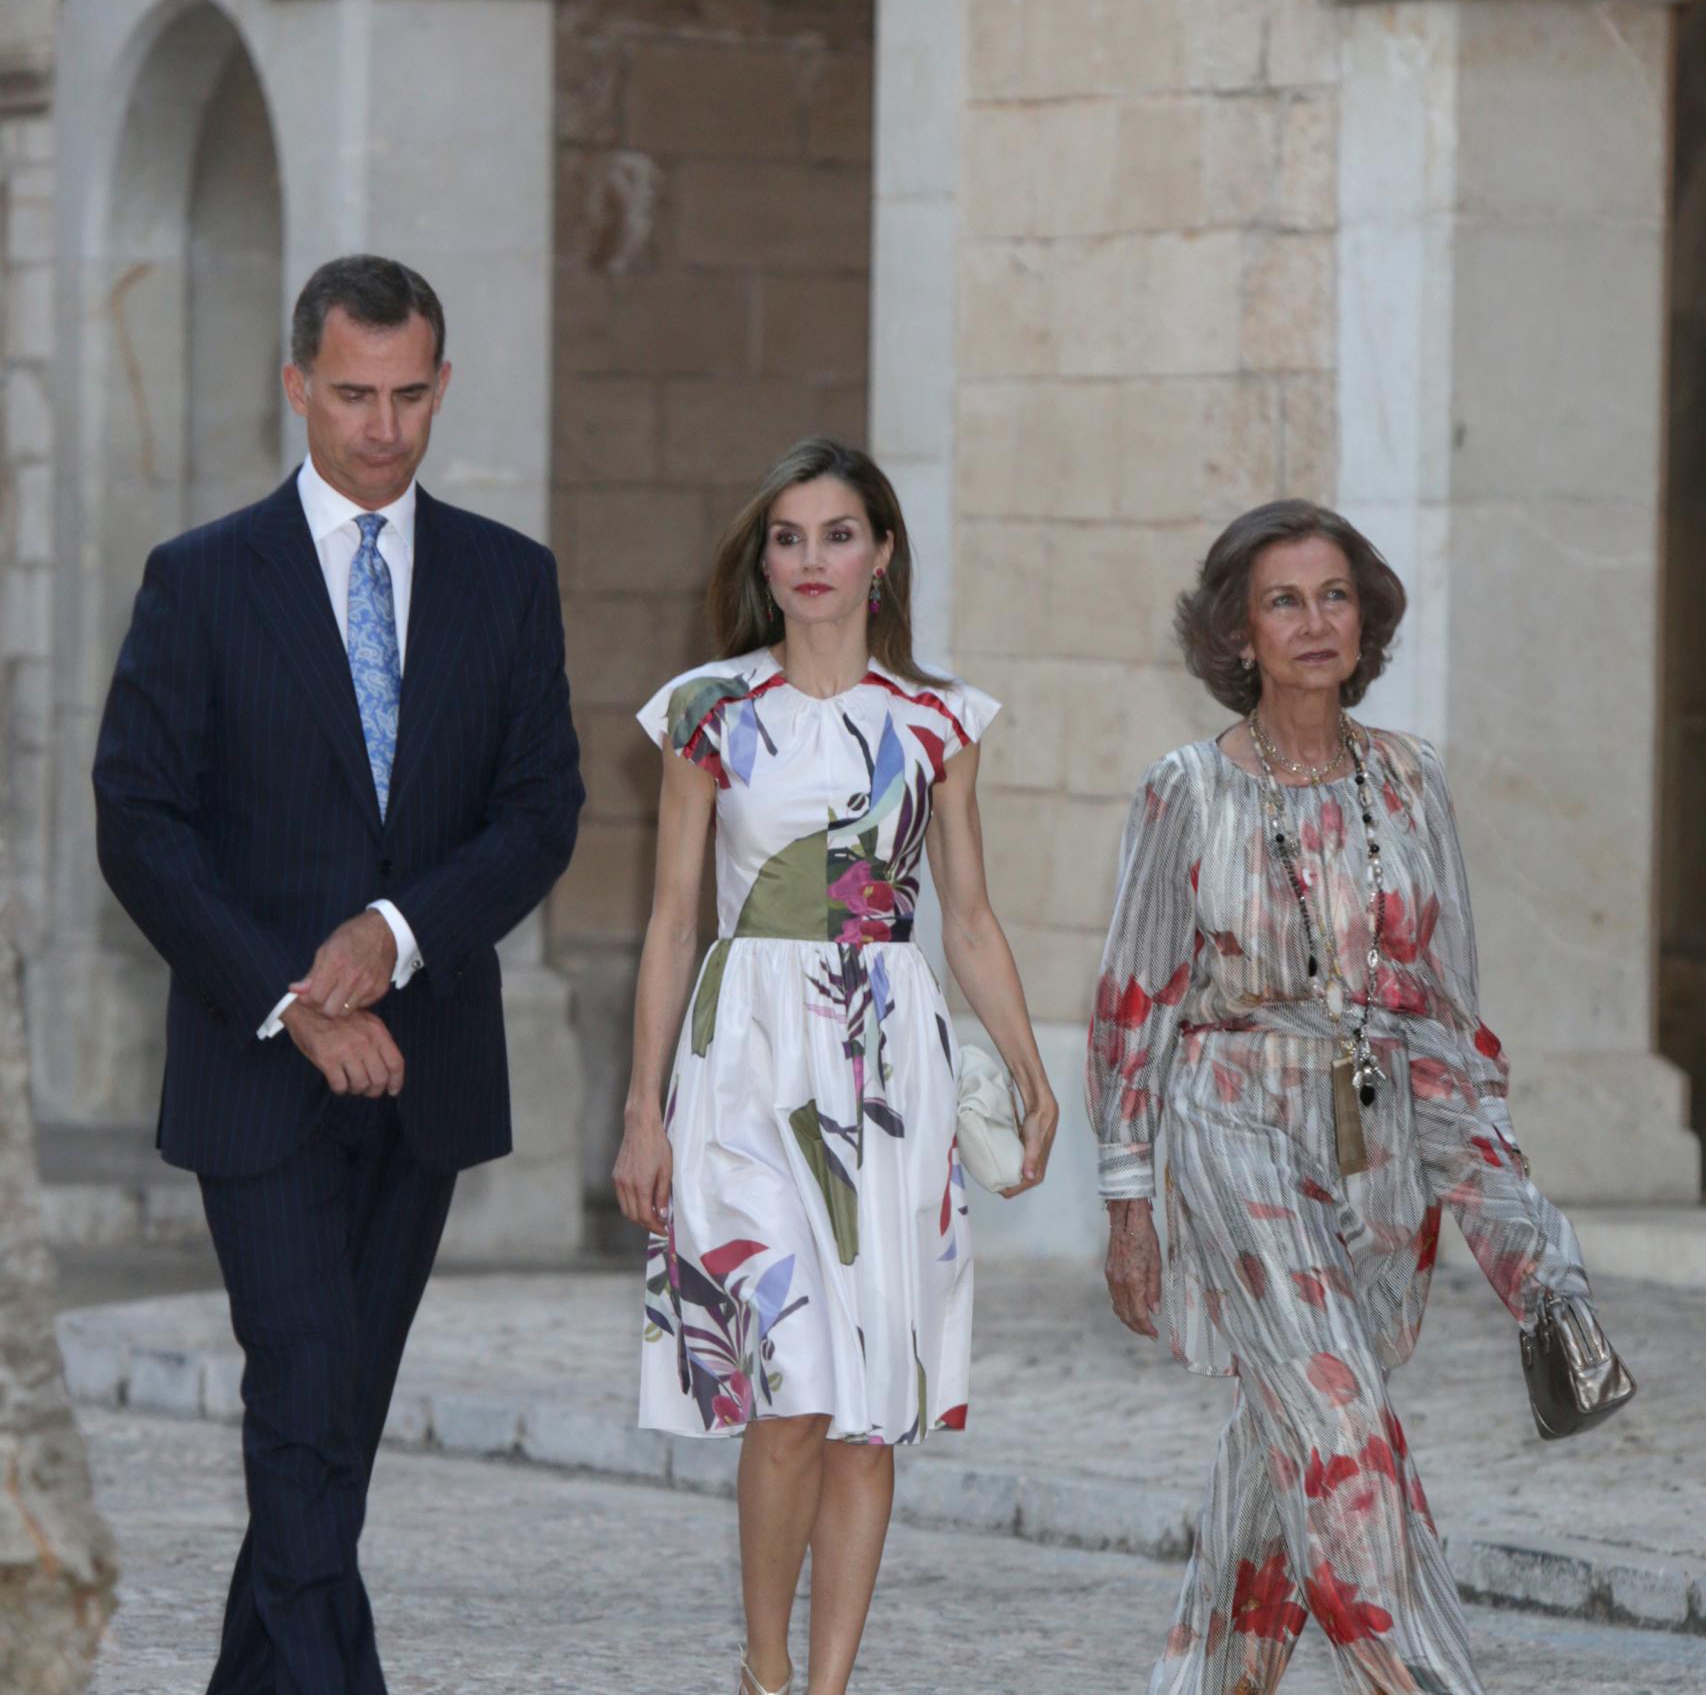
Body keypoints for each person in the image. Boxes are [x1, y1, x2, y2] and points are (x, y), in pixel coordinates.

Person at [93, 255, 584, 1695]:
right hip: (257, 1067)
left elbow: (539, 809)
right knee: (305, 1389)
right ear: (297, 383)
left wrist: (395, 933)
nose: (382, 426)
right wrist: (298, 997)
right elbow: (140, 822)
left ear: (442, 386)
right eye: (354, 393)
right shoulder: (198, 580)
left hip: (427, 1069)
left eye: (410, 394)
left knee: (333, 1424)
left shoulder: (508, 577)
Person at [1089, 500, 1600, 1694]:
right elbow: (1130, 1003)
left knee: (1286, 1444)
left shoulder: (1411, 780)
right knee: (1335, 1423)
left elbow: (1449, 1014)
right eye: (1282, 600)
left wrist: (1524, 1242)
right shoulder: (1185, 791)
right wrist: (1126, 1197)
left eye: (1333, 596)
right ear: (1236, 632)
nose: (1314, 622)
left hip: (1385, 1139)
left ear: (1363, 617)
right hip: (1229, 1118)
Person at [614, 436, 1059, 1695]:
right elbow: (667, 919)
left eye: (836, 533)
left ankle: (827, 1686)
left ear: (883, 552)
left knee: (870, 1402)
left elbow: (965, 916)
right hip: (745, 1058)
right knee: (790, 1384)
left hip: (889, 1065)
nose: (810, 559)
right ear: (765, 558)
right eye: (787, 537)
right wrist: (642, 1107)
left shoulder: (939, 721)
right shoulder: (707, 709)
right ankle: (762, 1672)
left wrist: (1029, 1071)